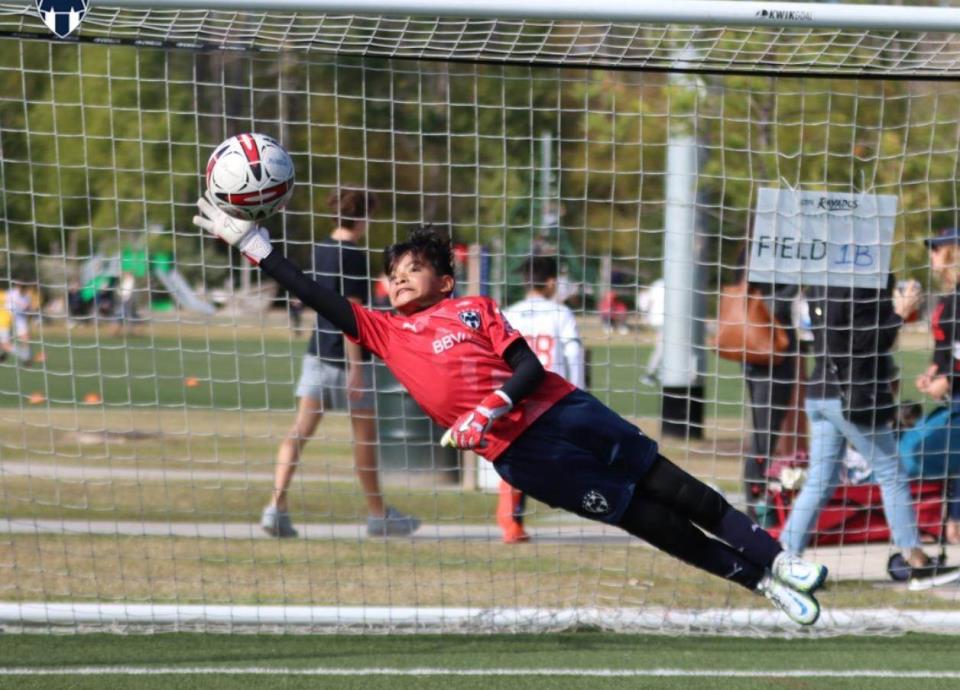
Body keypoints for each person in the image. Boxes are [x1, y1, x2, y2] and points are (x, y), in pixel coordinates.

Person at [194, 202, 830, 625]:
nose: (400, 278)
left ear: (445, 281)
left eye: (414, 269)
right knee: (650, 520)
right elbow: (314, 292)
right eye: (393, 273)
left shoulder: (474, 309)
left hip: (564, 412)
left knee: (677, 488)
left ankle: (779, 558)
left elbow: (526, 368)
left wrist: (489, 407)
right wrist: (254, 244)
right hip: (528, 458)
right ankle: (760, 584)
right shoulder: (384, 331)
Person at [259, 188, 420, 538]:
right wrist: (357, 367)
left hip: (316, 355)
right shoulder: (355, 256)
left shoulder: (321, 249)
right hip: (349, 362)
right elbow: (352, 314)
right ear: (362, 218)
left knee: (298, 433)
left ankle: (276, 507)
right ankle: (378, 516)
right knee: (364, 442)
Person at [779, 275, 941, 577]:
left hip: (821, 393)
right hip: (849, 398)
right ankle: (914, 557)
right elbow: (865, 344)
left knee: (820, 482)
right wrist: (900, 313)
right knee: (892, 473)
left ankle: (782, 556)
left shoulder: (822, 279)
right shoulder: (862, 278)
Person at [498, 255, 585, 543]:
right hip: (552, 396)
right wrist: (579, 392)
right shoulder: (562, 314)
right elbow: (573, 354)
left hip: (517, 394)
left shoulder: (508, 313)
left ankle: (511, 523)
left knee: (516, 456)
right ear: (550, 282)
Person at [915, 228, 960, 544]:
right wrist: (932, 372)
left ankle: (956, 521)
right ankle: (952, 520)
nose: (931, 255)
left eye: (936, 249)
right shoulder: (949, 296)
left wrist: (948, 379)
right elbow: (945, 346)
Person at [5, 281, 33, 366]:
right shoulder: (10, 293)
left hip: (20, 319)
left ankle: (26, 359)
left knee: (25, 338)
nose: (23, 288)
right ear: (18, 286)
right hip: (7, 318)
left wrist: (29, 310)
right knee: (4, 343)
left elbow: (28, 309)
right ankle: (24, 356)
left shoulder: (27, 296)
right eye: (22, 286)